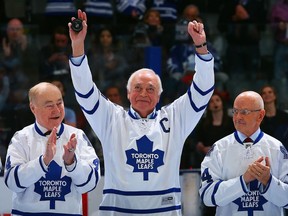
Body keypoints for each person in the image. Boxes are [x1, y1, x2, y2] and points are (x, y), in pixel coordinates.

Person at [68, 9, 214, 215]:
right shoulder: (110, 118)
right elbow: (84, 91)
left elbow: (203, 91)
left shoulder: (175, 118)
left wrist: (200, 47)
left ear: (159, 95)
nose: (143, 93)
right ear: (128, 93)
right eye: (137, 88)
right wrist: (77, 46)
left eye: (150, 89)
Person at [4, 82, 100, 215]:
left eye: (59, 103)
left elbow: (90, 184)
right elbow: (12, 183)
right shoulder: (21, 138)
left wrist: (72, 163)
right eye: (49, 105)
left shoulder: (77, 136)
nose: (57, 110)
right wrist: (43, 162)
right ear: (33, 108)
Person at [199, 91, 288, 215]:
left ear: (260, 115)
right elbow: (207, 197)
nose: (238, 117)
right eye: (235, 111)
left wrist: (268, 182)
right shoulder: (218, 149)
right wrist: (242, 181)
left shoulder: (277, 148)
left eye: (244, 112)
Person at [259, 84, 288, 149]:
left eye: (270, 92)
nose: (267, 95)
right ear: (261, 97)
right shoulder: (258, 117)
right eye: (264, 93)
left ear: (274, 96)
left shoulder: (285, 117)